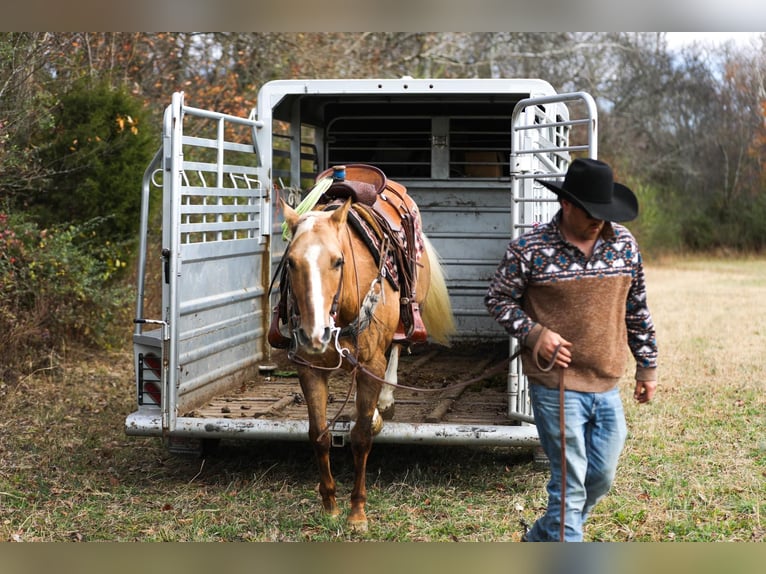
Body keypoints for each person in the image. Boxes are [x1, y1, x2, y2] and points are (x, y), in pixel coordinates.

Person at [484, 158, 658, 542]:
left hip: (607, 382)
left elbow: (637, 309)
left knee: (600, 477)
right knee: (569, 486)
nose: (600, 220)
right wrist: (534, 334)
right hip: (555, 384)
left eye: (605, 212)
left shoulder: (624, 245)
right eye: (592, 212)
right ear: (567, 205)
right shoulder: (529, 249)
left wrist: (647, 367)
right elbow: (497, 299)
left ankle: (538, 540)